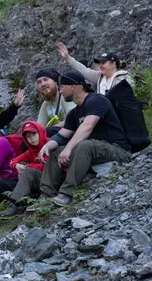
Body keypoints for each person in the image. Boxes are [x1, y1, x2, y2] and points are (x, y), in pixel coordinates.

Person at [30, 70, 132, 208]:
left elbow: (87, 126)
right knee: (56, 151)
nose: (60, 92)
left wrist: (69, 148)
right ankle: (46, 195)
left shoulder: (96, 100)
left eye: (63, 87)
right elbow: (62, 134)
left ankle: (67, 193)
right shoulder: (75, 113)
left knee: (84, 145)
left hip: (117, 150)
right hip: (94, 151)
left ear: (73, 86)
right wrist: (47, 146)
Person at [58, 45, 149, 151]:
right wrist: (68, 58)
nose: (101, 66)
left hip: (121, 116)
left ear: (113, 63)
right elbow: (83, 70)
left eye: (103, 63)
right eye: (100, 63)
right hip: (104, 115)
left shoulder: (124, 78)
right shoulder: (100, 77)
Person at [0, 122, 51, 218]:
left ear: (40, 132)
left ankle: (16, 204)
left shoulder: (50, 144)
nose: (32, 138)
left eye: (34, 134)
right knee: (23, 165)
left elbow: (47, 165)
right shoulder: (31, 151)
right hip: (41, 180)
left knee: (27, 170)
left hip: (53, 179)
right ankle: (18, 202)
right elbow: (13, 161)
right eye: (28, 136)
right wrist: (16, 165)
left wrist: (27, 167)